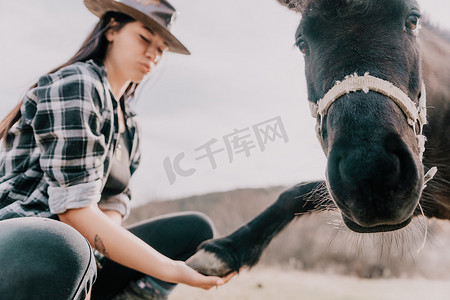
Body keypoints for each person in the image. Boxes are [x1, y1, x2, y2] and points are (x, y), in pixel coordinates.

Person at [0, 0, 236, 299]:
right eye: (144, 37)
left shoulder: (130, 126)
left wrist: (98, 255)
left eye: (161, 48)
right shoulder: (77, 84)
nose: (153, 53)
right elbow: (74, 212)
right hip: (24, 242)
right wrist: (171, 269)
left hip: (79, 248)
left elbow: (113, 206)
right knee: (68, 243)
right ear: (112, 30)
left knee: (194, 229)